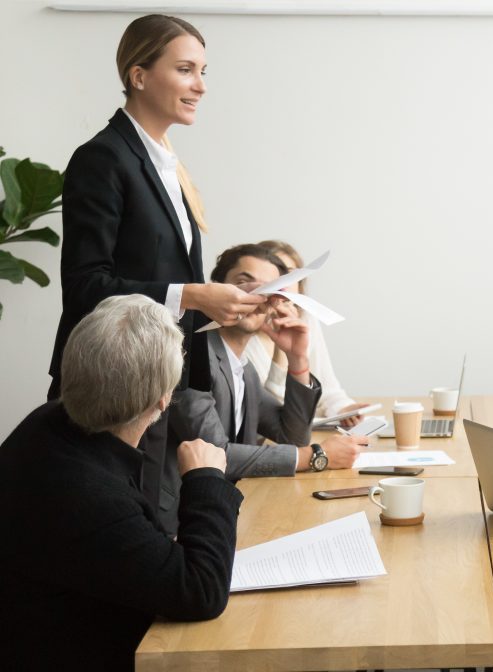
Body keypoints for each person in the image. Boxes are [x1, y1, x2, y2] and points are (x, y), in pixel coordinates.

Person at [50, 14, 265, 518]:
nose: (201, 86)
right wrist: (192, 295)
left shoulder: (167, 165)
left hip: (159, 387)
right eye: (187, 69)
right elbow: (85, 285)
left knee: (154, 531)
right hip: (111, 392)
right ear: (138, 74)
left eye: (204, 71)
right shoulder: (103, 159)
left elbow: (162, 273)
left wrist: (222, 305)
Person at [0, 295, 241, 670]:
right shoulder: (93, 498)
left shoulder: (45, 423)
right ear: (163, 400)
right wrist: (205, 478)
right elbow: (200, 591)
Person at [166, 244, 368, 533]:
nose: (255, 296)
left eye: (269, 289)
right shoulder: (192, 357)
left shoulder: (242, 368)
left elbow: (292, 435)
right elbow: (216, 454)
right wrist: (315, 455)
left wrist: (297, 358)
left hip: (229, 510)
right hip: (180, 522)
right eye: (243, 283)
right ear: (218, 291)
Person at [244, 240, 369, 428]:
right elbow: (266, 413)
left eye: (290, 275)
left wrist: (343, 409)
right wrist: (282, 351)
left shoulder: (307, 320)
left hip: (304, 432)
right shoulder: (243, 332)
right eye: (276, 275)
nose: (283, 284)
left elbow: (327, 387)